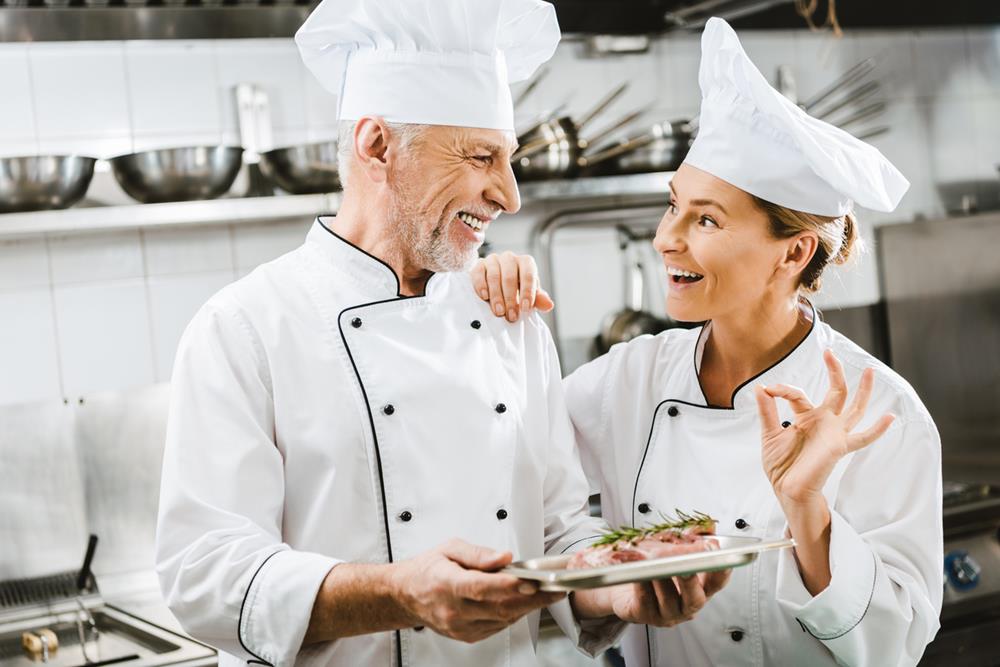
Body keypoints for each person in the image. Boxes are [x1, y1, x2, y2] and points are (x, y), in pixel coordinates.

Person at [155, 2, 729, 666]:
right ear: (376, 146)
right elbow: (204, 574)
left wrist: (619, 586)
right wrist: (398, 593)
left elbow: (561, 528)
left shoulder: (509, 317)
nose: (510, 195)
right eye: (482, 156)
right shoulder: (246, 327)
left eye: (508, 160)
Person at [473, 17, 943, 667]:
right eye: (673, 205)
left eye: (707, 219)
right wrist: (479, 309)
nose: (667, 237)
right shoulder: (629, 380)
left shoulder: (882, 414)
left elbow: (894, 648)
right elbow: (495, 451)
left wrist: (808, 510)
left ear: (793, 252)